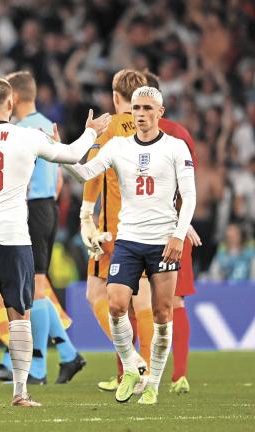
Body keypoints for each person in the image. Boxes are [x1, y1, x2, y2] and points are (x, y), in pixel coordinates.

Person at [0, 77, 110, 408]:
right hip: (14, 240)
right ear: (10, 104)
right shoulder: (27, 137)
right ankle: (19, 393)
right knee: (19, 314)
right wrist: (92, 130)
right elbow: (73, 155)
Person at [66, 86, 196, 405]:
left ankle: (153, 382)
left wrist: (178, 234)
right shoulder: (118, 146)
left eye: (148, 108)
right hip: (128, 240)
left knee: (163, 312)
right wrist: (58, 151)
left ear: (160, 113)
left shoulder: (176, 148)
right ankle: (132, 367)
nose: (140, 114)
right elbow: (85, 172)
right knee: (115, 303)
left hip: (163, 241)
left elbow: (190, 196)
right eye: (136, 107)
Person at [0, 71, 86, 385]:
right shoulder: (48, 125)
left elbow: (21, 174)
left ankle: (40, 367)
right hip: (47, 208)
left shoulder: (19, 131)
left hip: (29, 208)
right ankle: (67, 355)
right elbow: (58, 177)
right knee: (35, 285)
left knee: (34, 288)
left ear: (13, 98)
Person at [77, 69, 153, 392]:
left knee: (96, 293)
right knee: (143, 302)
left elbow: (93, 173)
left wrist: (85, 212)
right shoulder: (151, 127)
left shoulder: (107, 128)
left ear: (115, 97)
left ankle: (133, 359)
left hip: (114, 230)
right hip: (150, 225)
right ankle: (145, 375)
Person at [145, 71, 201, 394]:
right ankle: (173, 375)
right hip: (170, 227)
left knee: (165, 302)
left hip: (169, 229)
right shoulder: (178, 133)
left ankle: (174, 375)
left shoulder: (175, 136)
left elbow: (186, 186)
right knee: (165, 302)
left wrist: (183, 222)